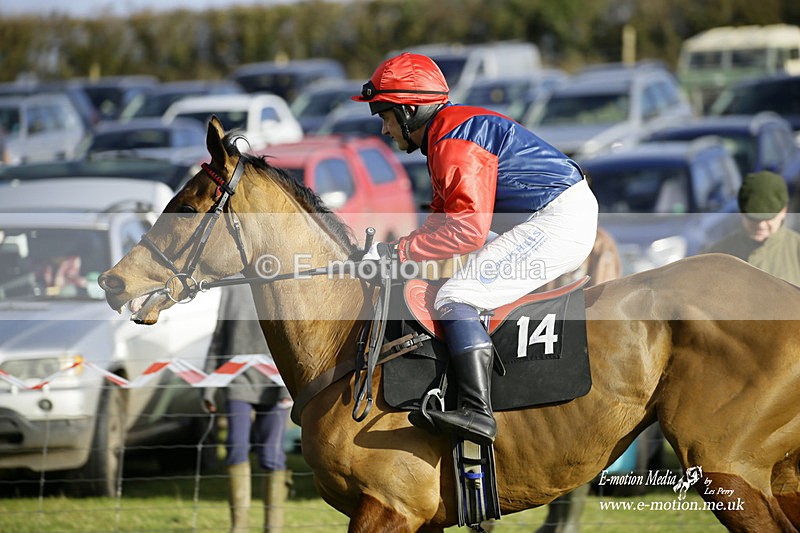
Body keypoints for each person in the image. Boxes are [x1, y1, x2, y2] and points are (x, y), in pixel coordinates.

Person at [352, 52, 598, 445]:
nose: (383, 129)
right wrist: (397, 251)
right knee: (454, 287)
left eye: (384, 115)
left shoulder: (452, 143)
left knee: (456, 295)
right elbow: (441, 221)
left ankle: (476, 413)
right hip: (551, 214)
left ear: (410, 110)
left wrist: (397, 254)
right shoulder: (445, 136)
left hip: (557, 219)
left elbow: (466, 231)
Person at [203, 283, 292, 533]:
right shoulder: (232, 286)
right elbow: (220, 335)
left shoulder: (279, 284)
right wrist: (209, 386)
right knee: (235, 447)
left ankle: (272, 528)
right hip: (236, 381)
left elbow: (291, 337)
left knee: (271, 455)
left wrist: (288, 388)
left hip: (275, 384)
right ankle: (238, 527)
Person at [704, 170, 800, 286]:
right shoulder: (717, 254)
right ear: (741, 213)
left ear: (783, 211)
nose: (761, 225)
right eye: (753, 218)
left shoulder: (796, 250)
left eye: (767, 218)